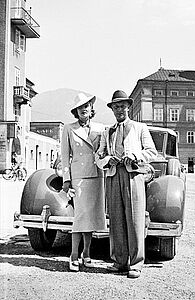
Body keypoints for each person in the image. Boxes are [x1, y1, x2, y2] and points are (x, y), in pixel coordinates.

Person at [96, 90, 157, 279]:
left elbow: (151, 151)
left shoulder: (140, 128)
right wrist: (107, 160)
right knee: (116, 220)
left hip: (133, 175)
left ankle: (136, 263)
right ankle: (119, 262)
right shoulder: (108, 131)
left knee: (135, 218)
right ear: (112, 109)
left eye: (122, 106)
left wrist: (135, 156)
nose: (119, 109)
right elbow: (98, 156)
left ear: (128, 107)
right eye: (116, 107)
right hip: (113, 176)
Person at [61, 92, 106, 272]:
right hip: (79, 177)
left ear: (91, 108)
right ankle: (73, 255)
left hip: (97, 175)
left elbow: (105, 150)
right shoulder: (68, 128)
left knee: (92, 216)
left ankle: (86, 253)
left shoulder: (100, 128)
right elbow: (65, 156)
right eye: (80, 107)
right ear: (76, 111)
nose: (84, 109)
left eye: (86, 106)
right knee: (80, 216)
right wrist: (66, 179)